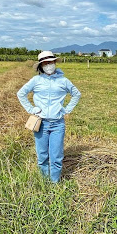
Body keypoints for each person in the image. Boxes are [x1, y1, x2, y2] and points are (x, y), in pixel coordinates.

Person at [17, 51, 81, 183]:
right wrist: (31, 109)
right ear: (41, 66)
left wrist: (67, 109)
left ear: (55, 63)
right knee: (42, 156)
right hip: (41, 124)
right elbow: (21, 93)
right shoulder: (36, 80)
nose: (49, 65)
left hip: (58, 124)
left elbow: (77, 94)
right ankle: (44, 182)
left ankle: (54, 183)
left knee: (56, 157)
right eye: (45, 63)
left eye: (51, 62)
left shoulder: (64, 81)